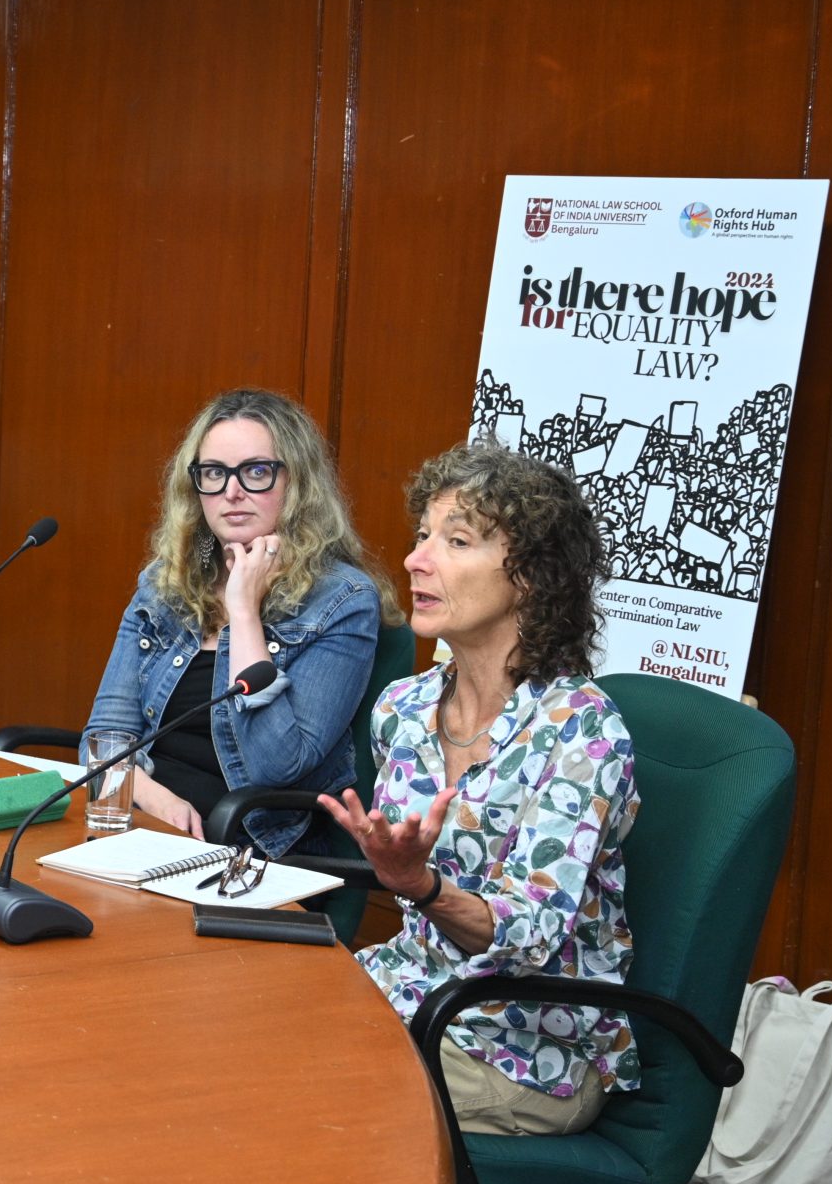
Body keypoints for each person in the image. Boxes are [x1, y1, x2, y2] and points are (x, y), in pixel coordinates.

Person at [323, 444, 636, 1138]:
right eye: (422, 535)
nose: (416, 559)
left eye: (456, 540)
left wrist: (421, 885)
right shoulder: (402, 708)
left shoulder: (581, 729)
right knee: (246, 1039)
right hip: (405, 993)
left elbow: (531, 939)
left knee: (303, 1095)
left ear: (530, 575)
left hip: (523, 1045)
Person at [84, 388, 393, 851]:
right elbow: (102, 739)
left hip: (250, 847)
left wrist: (244, 612)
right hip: (144, 825)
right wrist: (155, 799)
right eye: (214, 473)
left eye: (256, 472)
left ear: (297, 483)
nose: (231, 492)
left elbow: (277, 767)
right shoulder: (164, 584)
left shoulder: (343, 599)